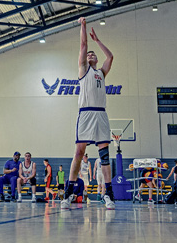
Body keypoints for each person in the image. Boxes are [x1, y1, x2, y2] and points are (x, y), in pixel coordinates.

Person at [61, 18, 115, 210]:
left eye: (93, 54)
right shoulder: (83, 70)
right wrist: (82, 26)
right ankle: (68, 193)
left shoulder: (101, 72)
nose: (91, 54)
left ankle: (109, 195)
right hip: (85, 114)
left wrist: (98, 40)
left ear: (96, 59)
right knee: (79, 152)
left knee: (105, 155)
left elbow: (110, 57)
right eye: (89, 54)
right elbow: (83, 45)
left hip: (100, 114)